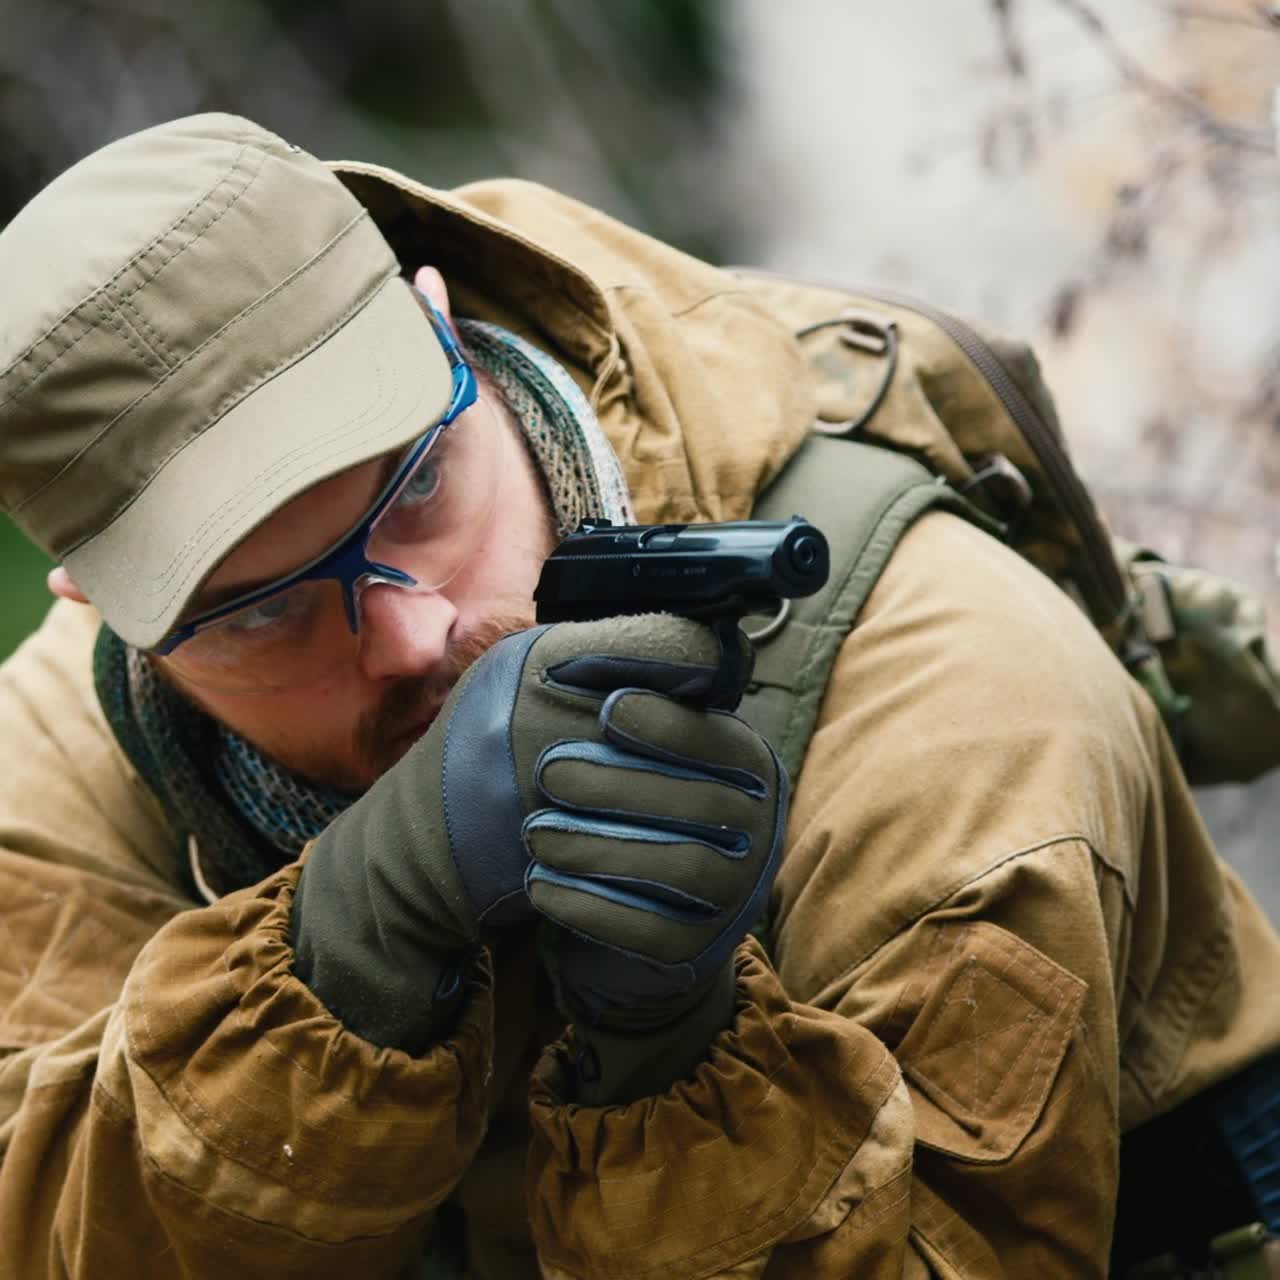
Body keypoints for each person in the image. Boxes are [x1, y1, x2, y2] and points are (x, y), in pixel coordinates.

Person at [0, 113, 1277, 1280]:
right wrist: (343, 957)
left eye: (418, 494)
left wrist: (676, 1049)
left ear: (441, 325)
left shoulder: (959, 713)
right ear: (104, 610)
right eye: (267, 607)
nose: (409, 632)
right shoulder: (69, 748)